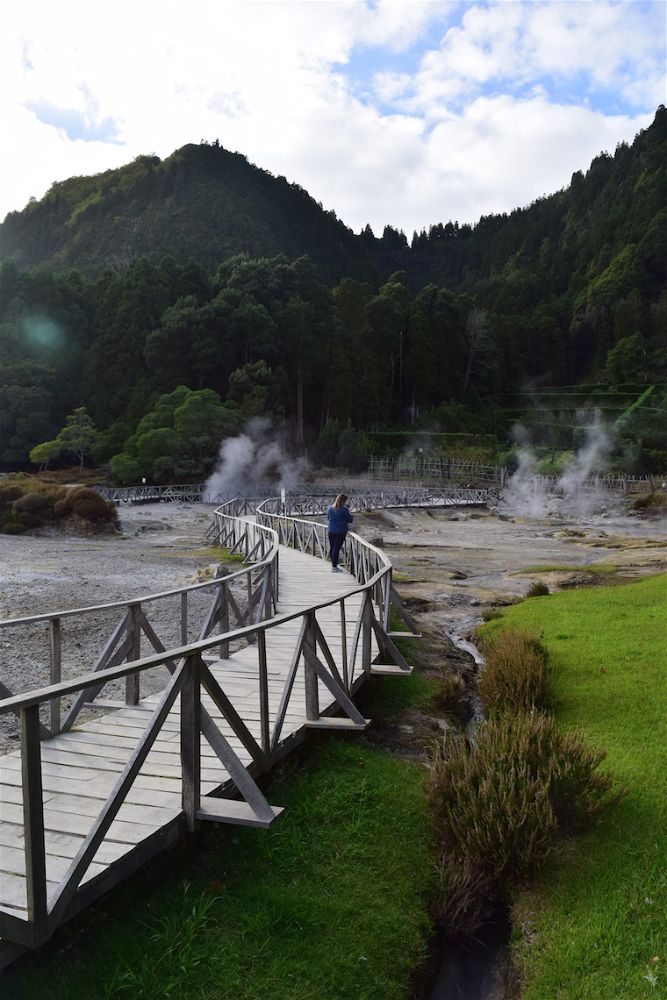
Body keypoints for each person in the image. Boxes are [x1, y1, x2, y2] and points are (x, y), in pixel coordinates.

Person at [327, 493, 353, 572]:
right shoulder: (343, 509)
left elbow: (328, 518)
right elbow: (350, 520)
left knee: (332, 548)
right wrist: (350, 513)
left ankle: (333, 565)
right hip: (340, 531)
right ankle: (334, 567)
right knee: (336, 549)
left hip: (331, 530)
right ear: (343, 501)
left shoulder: (330, 508)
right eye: (345, 501)